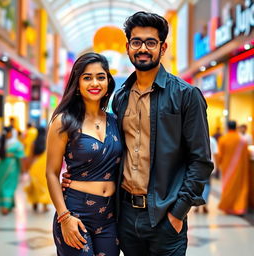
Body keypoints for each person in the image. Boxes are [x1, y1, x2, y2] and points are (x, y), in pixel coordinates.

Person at [63, 12, 213, 256]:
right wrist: (78, 175)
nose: (143, 48)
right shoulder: (120, 97)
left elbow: (201, 161)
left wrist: (178, 213)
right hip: (124, 215)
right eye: (136, 42)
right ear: (127, 47)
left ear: (163, 48)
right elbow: (111, 149)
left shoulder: (186, 95)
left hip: (166, 217)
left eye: (151, 42)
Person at [46, 53, 122, 256]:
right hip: (75, 213)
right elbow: (51, 173)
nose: (94, 83)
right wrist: (65, 217)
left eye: (100, 76)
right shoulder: (64, 121)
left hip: (109, 217)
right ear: (77, 83)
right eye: (87, 77)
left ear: (108, 81)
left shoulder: (116, 121)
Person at [218, 120, 249, 215]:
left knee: (228, 187)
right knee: (240, 188)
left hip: (227, 168)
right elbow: (246, 154)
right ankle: (239, 207)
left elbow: (220, 155)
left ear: (227, 127)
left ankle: (228, 206)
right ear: (236, 127)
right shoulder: (242, 140)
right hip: (240, 168)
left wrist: (219, 165)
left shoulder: (223, 139)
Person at [0, 126, 25, 215]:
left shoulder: (1, 143)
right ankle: (5, 207)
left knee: (2, 185)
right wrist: (23, 170)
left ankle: (7, 205)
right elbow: (21, 157)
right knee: (9, 186)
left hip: (2, 166)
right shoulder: (16, 144)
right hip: (12, 167)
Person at [25, 127, 52, 212]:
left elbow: (30, 156)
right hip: (44, 167)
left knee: (35, 185)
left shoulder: (33, 143)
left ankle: (35, 203)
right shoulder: (48, 142)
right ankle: (44, 206)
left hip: (35, 166)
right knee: (44, 186)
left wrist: (27, 167)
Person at [194, 136, 218, 214]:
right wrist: (216, 166)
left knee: (197, 185)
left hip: (197, 165)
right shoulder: (212, 140)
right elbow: (216, 154)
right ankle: (204, 205)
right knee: (207, 185)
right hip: (209, 166)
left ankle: (197, 205)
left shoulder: (197, 138)